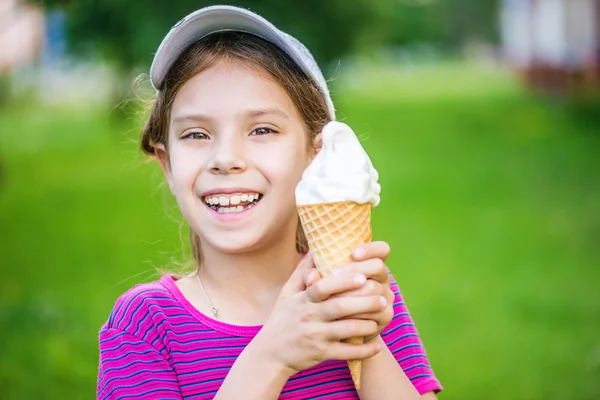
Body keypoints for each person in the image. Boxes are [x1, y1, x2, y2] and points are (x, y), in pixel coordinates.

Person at [97, 5, 443, 399]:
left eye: (262, 129)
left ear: (316, 159)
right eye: (196, 134)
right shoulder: (145, 326)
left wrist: (364, 335)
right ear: (167, 165)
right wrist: (271, 356)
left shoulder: (358, 292)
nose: (226, 158)